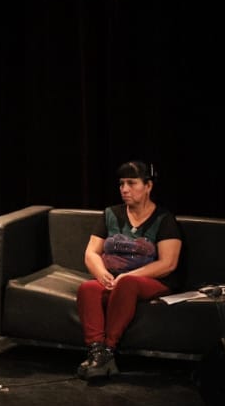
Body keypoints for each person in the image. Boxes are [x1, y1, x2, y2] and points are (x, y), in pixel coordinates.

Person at [75, 160, 183, 382]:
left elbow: (168, 263)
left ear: (148, 186)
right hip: (115, 279)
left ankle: (109, 348)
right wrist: (101, 273)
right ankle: (98, 353)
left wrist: (129, 275)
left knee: (127, 284)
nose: (124, 189)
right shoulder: (110, 214)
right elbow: (91, 253)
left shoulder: (164, 219)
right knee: (88, 288)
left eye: (132, 183)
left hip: (149, 281)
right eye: (122, 183)